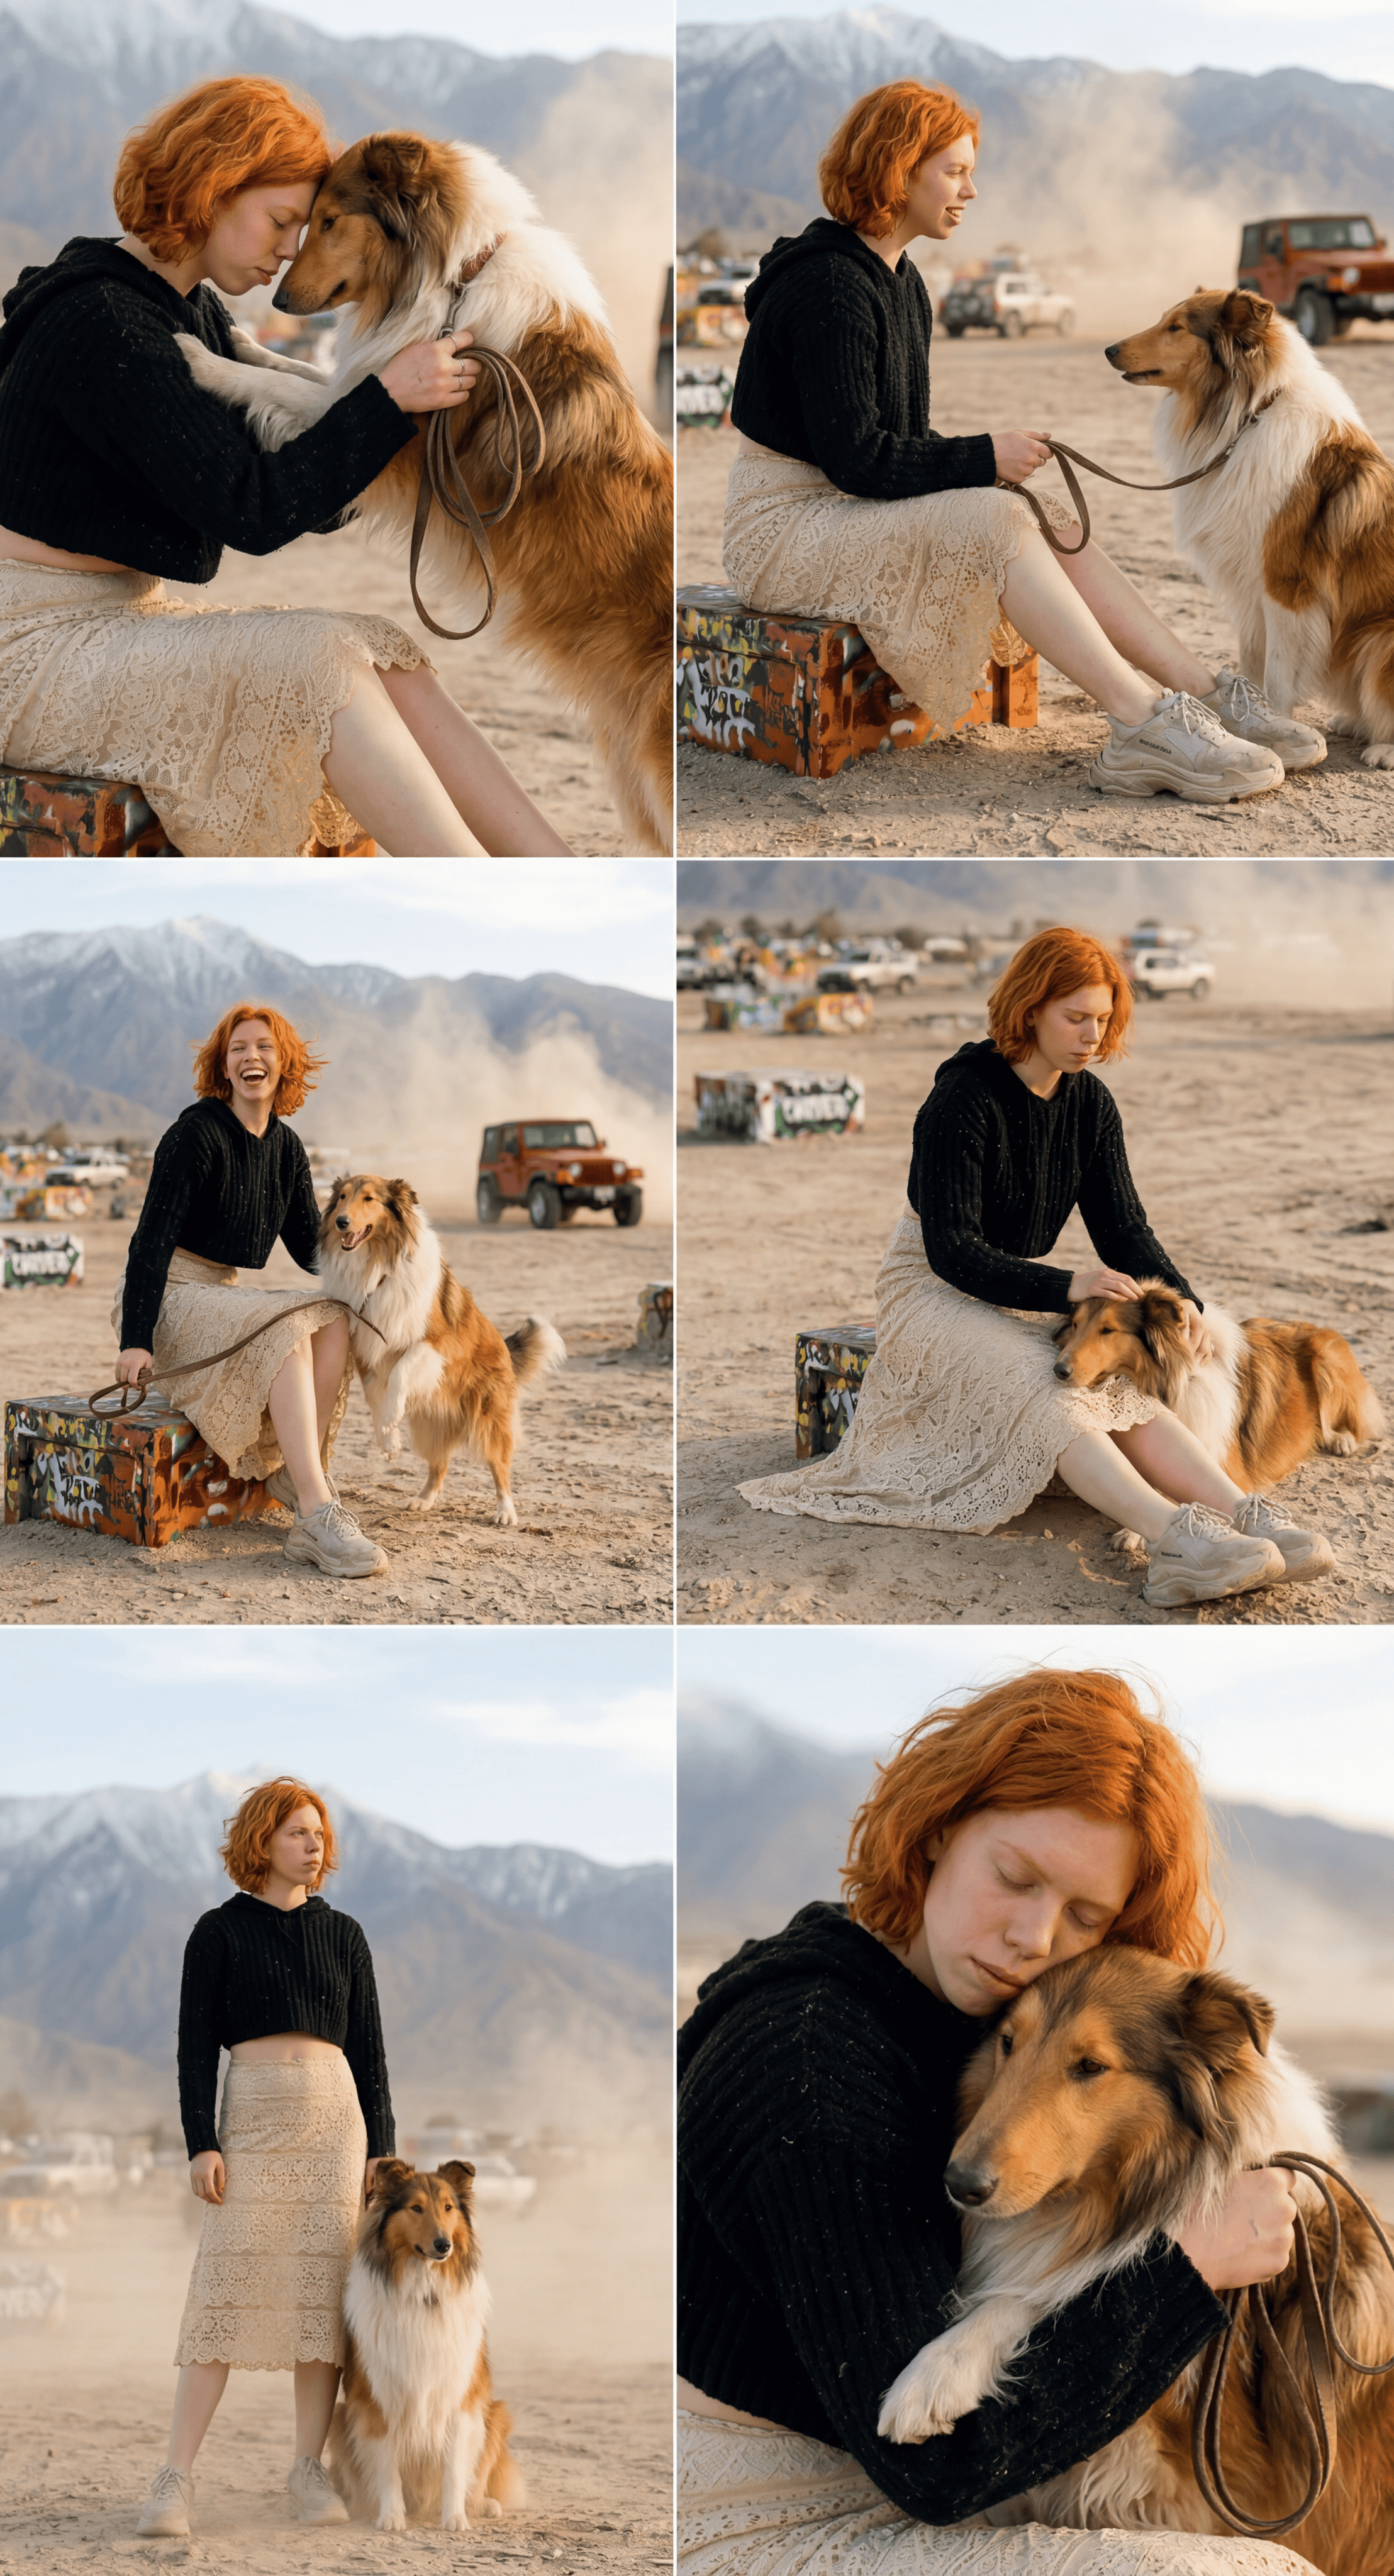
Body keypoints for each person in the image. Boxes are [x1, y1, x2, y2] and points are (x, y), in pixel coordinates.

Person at [677, 1665, 1313, 2576]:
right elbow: (936, 2468)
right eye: (1013, 1877)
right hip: (765, 2518)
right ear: (936, 1830)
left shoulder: (974, 2016)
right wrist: (1185, 2271)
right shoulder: (809, 2053)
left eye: (1083, 1914)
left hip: (905, 2500)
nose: (1034, 1938)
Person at [0, 75, 572, 858]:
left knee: (377, 647)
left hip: (118, 626)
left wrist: (420, 437)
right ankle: (476, 890)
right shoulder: (104, 323)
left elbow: (310, 495)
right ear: (212, 190)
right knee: (317, 662)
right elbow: (253, 510)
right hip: (39, 661)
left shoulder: (188, 312)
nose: (293, 251)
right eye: (283, 221)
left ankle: (550, 870)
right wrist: (384, 403)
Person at [722, 82, 1327, 806]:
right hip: (785, 526)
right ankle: (1141, 725)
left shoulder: (903, 283)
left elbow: (891, 445)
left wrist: (996, 465)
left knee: (1047, 518)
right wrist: (985, 458)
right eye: (955, 171)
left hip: (842, 506)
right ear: (898, 168)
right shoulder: (828, 287)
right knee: (1000, 517)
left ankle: (1203, 693)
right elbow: (858, 460)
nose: (972, 190)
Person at [739, 926, 1335, 1607]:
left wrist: (1187, 1300)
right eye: (1076, 1017)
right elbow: (952, 1250)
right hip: (928, 1288)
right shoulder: (962, 1099)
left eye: (1103, 1019)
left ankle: (1242, 1512)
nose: (1092, 1035)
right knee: (1043, 1384)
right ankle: (1174, 1541)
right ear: (1029, 1008)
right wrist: (1068, 1285)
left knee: (1105, 1385)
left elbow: (1124, 1227)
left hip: (1009, 1284)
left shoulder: (1090, 1105)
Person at [138, 1778, 394, 2538]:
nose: (314, 1844)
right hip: (251, 2120)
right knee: (222, 2295)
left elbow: (371, 2052)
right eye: (296, 1833)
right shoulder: (216, 1932)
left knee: (321, 2304)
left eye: (319, 1833)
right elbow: (191, 2047)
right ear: (262, 1843)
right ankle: (174, 2480)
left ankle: (307, 2471)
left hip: (334, 2125)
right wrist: (200, 2141)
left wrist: (381, 2148)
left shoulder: (345, 1933)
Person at [111, 997, 387, 1580]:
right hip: (171, 1296)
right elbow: (150, 1241)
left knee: (331, 1315)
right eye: (238, 1049)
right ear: (223, 1065)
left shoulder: (287, 1149)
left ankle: (296, 1471)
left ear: (284, 1062)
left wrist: (379, 1277)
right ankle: (315, 1516)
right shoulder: (195, 1135)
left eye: (264, 1047)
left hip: (222, 1294)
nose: (251, 1057)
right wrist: (136, 1338)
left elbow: (309, 1251)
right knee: (284, 1329)